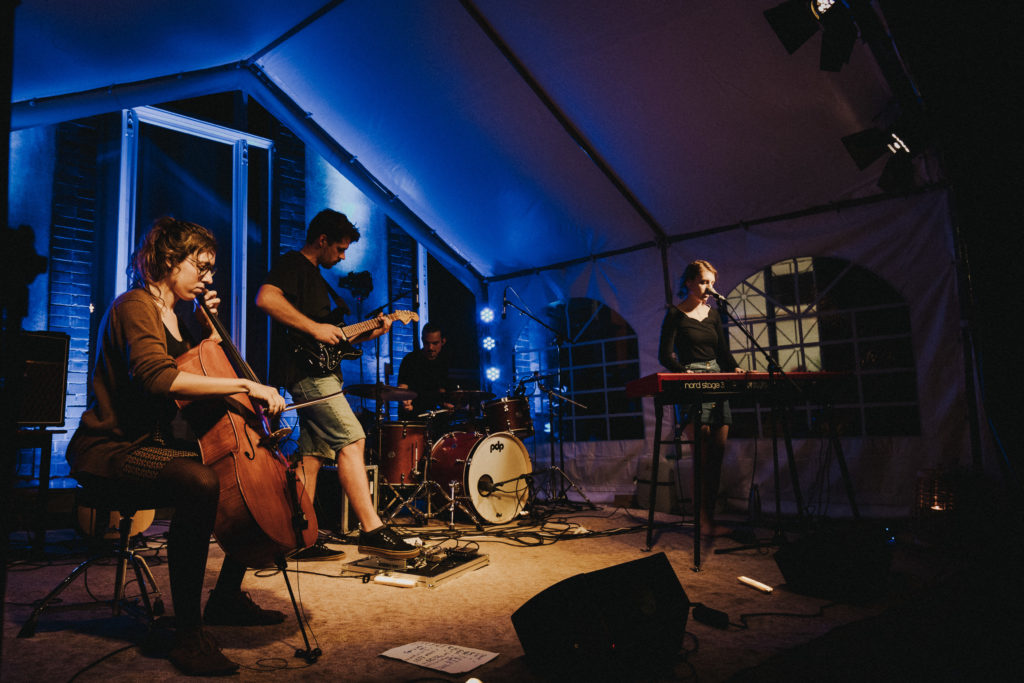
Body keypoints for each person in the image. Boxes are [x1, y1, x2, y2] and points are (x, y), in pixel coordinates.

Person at [67, 217, 288, 676]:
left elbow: (195, 377)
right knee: (200, 481)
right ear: (169, 260)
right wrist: (246, 383)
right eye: (200, 266)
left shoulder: (177, 318)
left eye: (211, 269)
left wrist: (209, 335)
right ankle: (189, 635)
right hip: (110, 450)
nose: (208, 277)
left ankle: (225, 598)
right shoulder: (135, 305)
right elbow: (157, 378)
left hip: (152, 446)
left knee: (241, 478)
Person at [256, 209, 417, 561]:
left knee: (312, 457)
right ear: (322, 239)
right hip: (308, 375)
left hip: (321, 372)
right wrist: (315, 328)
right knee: (353, 438)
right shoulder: (293, 264)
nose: (343, 257)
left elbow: (337, 339)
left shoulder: (319, 279)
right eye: (340, 248)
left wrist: (376, 329)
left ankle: (299, 537)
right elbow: (266, 298)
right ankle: (372, 530)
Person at [657, 259, 742, 540]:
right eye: (704, 282)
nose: (710, 288)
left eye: (712, 283)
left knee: (717, 454)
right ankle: (702, 521)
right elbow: (665, 355)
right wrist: (685, 372)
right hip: (691, 382)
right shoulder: (675, 315)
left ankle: (710, 519)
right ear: (689, 282)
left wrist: (735, 369)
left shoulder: (714, 315)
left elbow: (723, 352)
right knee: (701, 457)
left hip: (717, 380)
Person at [397, 322, 453, 420]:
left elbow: (443, 392)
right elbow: (402, 388)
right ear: (422, 340)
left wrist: (447, 405)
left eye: (435, 343)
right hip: (413, 416)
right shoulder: (410, 360)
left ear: (443, 341)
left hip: (437, 416)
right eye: (427, 343)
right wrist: (405, 401)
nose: (430, 348)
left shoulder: (446, 362)